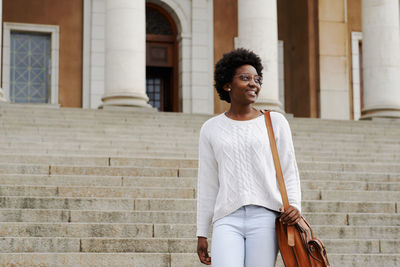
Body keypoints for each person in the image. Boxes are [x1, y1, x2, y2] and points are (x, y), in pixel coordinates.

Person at [196, 48, 302, 267]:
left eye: (257, 79)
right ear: (227, 85)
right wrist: (202, 232)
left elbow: (288, 169)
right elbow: (207, 182)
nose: (253, 83)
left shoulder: (275, 122)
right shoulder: (211, 128)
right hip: (227, 217)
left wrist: (294, 205)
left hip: (265, 217)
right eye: (245, 78)